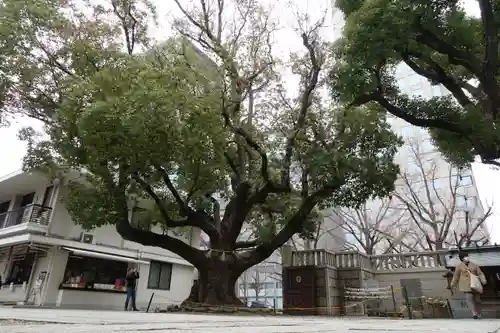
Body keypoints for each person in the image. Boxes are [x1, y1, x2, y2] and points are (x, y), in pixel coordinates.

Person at [450, 251, 486, 319]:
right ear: (462, 258)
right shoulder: (459, 266)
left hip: (475, 285)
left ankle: (479, 313)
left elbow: (480, 273)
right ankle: (474, 313)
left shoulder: (474, 265)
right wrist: (452, 284)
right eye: (466, 256)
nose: (467, 258)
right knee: (469, 299)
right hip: (465, 286)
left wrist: (483, 280)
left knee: (477, 300)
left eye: (467, 256)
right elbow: (456, 276)